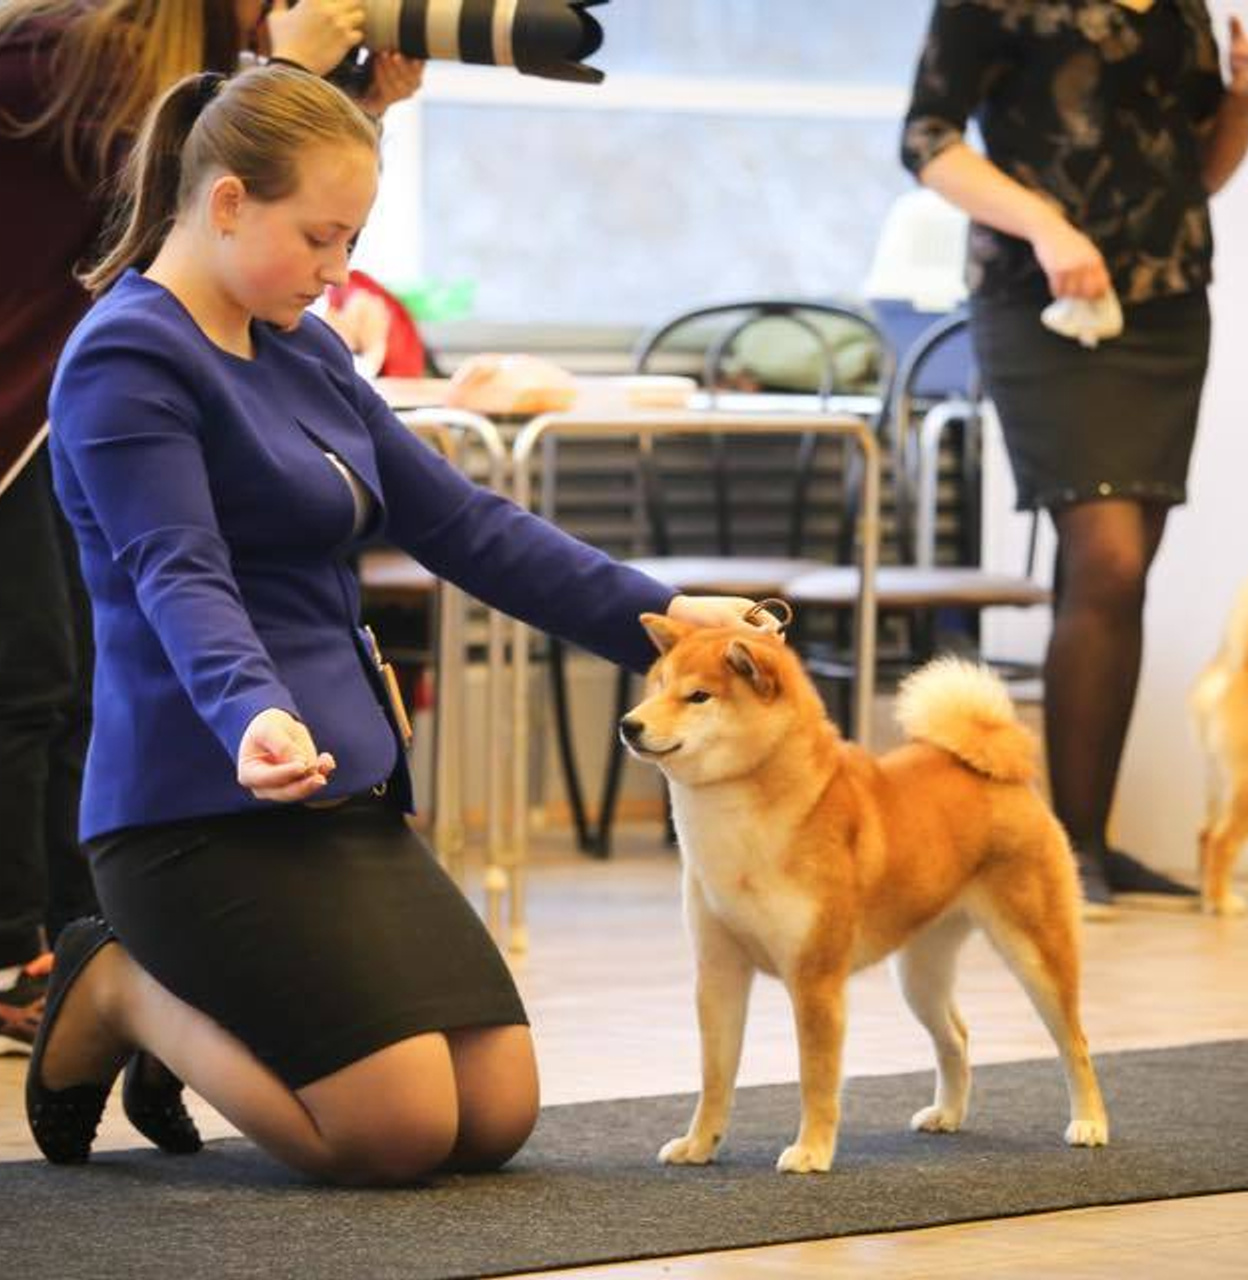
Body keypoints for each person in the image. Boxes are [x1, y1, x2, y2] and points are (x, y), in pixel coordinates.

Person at [29, 63, 770, 1184]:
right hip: (198, 801)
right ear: (226, 201)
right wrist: (254, 712)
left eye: (353, 239)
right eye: (320, 238)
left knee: (493, 1113)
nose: (339, 273)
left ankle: (174, 995)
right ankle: (121, 987)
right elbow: (179, 572)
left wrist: (660, 614)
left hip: (344, 781)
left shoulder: (306, 346)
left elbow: (466, 523)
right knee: (394, 1130)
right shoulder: (127, 356)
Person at [0, 0, 422, 1053]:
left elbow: (263, 187)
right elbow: (160, 195)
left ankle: (75, 937)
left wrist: (350, 97)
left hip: (47, 400)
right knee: (29, 682)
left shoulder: (196, 68)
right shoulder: (53, 55)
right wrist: (288, 65)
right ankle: (25, 954)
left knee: (69, 678)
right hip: (35, 392)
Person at [901, 2, 1248, 909]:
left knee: (1121, 572)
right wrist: (1047, 227)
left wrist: (1241, 99)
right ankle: (1063, 855)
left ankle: (1084, 843)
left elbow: (1194, 171)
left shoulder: (1182, 8)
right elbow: (928, 141)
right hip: (1039, 300)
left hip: (1166, 305)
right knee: (1106, 558)